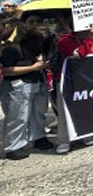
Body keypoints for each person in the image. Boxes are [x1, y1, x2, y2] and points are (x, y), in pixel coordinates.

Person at [0, 26, 54, 160]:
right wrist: (32, 67)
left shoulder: (41, 51)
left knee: (39, 113)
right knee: (18, 117)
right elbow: (6, 70)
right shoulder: (13, 50)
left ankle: (39, 137)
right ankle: (13, 147)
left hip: (37, 83)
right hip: (18, 86)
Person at [55, 24, 93, 153]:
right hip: (68, 80)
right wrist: (90, 38)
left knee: (85, 107)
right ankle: (64, 140)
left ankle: (85, 133)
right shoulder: (64, 41)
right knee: (65, 110)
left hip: (85, 79)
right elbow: (80, 54)